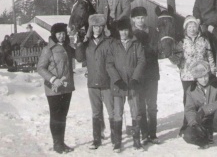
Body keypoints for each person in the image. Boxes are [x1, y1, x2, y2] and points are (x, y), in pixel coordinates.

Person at [37, 23, 81, 154]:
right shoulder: (48, 49)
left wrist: (78, 43)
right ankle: (57, 144)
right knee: (56, 116)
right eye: (59, 34)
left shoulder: (67, 47)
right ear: (54, 35)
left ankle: (61, 142)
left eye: (63, 33)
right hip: (53, 89)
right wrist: (53, 79)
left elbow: (79, 57)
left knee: (63, 116)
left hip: (67, 88)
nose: (61, 36)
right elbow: (40, 68)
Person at [168, 15, 216, 136]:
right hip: (187, 75)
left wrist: (213, 69)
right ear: (186, 28)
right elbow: (177, 59)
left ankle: (204, 124)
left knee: (203, 100)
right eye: (189, 26)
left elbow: (210, 55)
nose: (192, 28)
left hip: (202, 75)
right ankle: (187, 124)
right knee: (188, 101)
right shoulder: (182, 42)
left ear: (197, 27)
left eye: (194, 26)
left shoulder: (204, 40)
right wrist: (170, 55)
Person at [106, 16, 146, 152]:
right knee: (117, 113)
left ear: (129, 30)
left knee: (136, 112)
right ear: (118, 31)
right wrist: (117, 80)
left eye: (125, 30)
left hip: (133, 85)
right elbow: (109, 64)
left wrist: (135, 79)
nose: (123, 33)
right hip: (119, 85)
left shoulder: (136, 43)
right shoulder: (113, 45)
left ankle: (136, 141)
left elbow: (141, 61)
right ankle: (117, 142)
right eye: (121, 30)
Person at [75, 14, 114, 149]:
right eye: (95, 26)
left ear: (103, 28)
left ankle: (115, 137)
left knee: (112, 111)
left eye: (100, 26)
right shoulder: (87, 44)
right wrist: (80, 43)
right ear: (91, 28)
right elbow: (79, 58)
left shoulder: (109, 42)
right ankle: (97, 139)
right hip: (92, 83)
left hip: (107, 82)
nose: (97, 29)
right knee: (96, 112)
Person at [183, 61, 217, 153]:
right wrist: (193, 122)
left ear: (209, 74)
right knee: (188, 135)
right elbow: (189, 109)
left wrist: (204, 110)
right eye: (200, 77)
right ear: (196, 78)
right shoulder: (191, 90)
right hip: (202, 121)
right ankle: (204, 142)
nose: (204, 79)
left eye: (205, 76)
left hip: (216, 119)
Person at [131, 6, 160, 145]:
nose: (140, 20)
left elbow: (156, 48)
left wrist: (146, 49)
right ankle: (144, 133)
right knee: (140, 105)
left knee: (152, 104)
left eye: (142, 17)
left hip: (152, 72)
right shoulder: (130, 33)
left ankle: (153, 133)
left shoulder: (152, 31)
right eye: (137, 18)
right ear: (133, 19)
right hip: (138, 74)